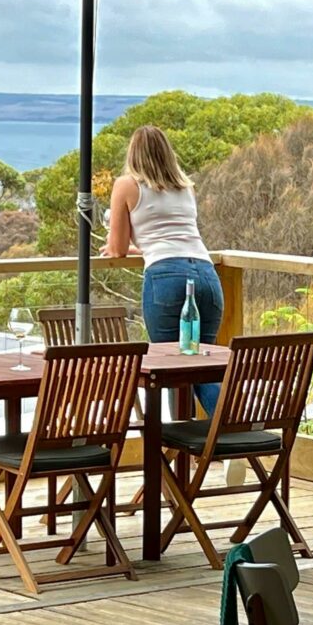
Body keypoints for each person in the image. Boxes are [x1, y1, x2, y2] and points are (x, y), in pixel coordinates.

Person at [102, 124, 223, 416]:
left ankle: (219, 433)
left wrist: (114, 231)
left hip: (166, 277)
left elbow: (116, 248)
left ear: (133, 154)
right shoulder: (185, 187)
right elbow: (173, 234)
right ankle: (234, 433)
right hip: (206, 274)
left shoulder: (127, 185)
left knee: (172, 367)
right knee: (203, 363)